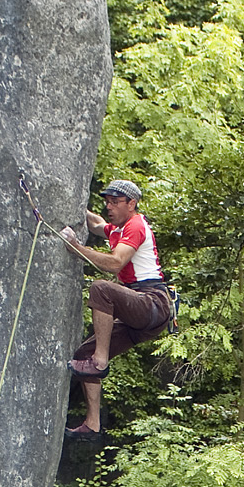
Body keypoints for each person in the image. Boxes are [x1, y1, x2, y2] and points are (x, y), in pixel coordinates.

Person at [60, 180, 173, 441]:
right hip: (139, 314)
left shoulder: (135, 225)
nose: (109, 206)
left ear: (131, 204)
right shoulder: (118, 229)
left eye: (115, 201)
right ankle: (93, 424)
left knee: (101, 289)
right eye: (107, 201)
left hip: (152, 302)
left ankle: (100, 362)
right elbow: (98, 224)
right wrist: (76, 202)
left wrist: (77, 248)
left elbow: (114, 263)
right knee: (83, 354)